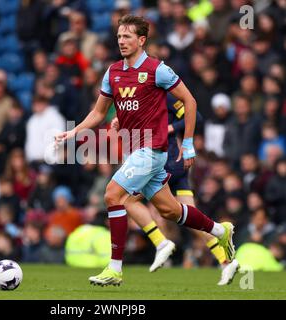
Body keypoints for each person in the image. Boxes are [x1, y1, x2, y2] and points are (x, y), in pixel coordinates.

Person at [55, 15, 236, 286]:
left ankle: (115, 268)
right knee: (171, 211)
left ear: (141, 40)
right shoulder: (112, 72)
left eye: (127, 37)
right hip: (134, 151)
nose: (121, 41)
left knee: (112, 195)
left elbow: (190, 101)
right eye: (119, 37)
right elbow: (98, 112)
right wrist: (74, 131)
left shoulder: (157, 70)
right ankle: (221, 230)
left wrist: (187, 144)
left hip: (152, 150)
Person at [111, 99, 239, 285]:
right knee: (193, 220)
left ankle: (161, 243)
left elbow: (196, 116)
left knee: (126, 199)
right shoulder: (141, 97)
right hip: (172, 163)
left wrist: (171, 128)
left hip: (166, 163)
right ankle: (226, 261)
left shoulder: (165, 95)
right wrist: (120, 121)